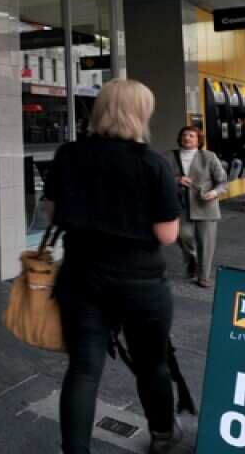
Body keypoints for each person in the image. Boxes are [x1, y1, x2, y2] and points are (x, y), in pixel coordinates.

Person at [44, 79, 182, 454]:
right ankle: (162, 436)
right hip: (141, 284)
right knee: (152, 364)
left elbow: (54, 214)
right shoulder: (153, 163)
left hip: (82, 277)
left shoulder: (68, 155)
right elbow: (167, 234)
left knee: (83, 369)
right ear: (141, 113)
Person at [173, 126, 227, 288]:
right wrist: (177, 180)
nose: (187, 138)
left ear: (198, 140)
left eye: (191, 135)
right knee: (182, 236)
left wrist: (214, 193)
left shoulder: (209, 156)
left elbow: (222, 181)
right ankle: (194, 261)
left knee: (206, 243)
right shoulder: (170, 156)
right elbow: (161, 177)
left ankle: (204, 276)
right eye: (184, 135)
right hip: (180, 205)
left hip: (205, 205)